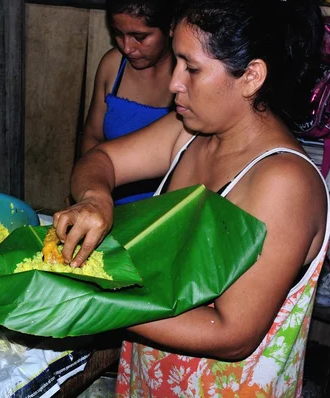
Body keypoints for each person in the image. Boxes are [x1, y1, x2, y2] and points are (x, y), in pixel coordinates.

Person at [54, 0, 329, 395]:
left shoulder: (283, 182)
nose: (173, 83)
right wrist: (96, 197)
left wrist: (90, 297)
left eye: (192, 68)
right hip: (153, 371)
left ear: (251, 76)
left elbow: (232, 334)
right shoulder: (190, 133)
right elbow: (101, 159)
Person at [80, 0, 176, 205]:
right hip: (110, 207)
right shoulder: (113, 66)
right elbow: (92, 136)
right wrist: (89, 192)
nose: (127, 47)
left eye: (139, 37)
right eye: (118, 34)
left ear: (170, 27)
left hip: (163, 213)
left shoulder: (185, 79)